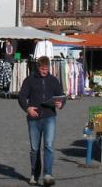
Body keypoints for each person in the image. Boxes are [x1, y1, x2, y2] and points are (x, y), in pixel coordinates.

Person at [18, 56, 64, 187]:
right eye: (43, 69)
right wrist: (27, 108)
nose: (45, 71)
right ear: (38, 67)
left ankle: (48, 174)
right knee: (34, 148)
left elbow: (60, 96)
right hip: (34, 118)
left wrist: (60, 104)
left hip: (49, 117)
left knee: (49, 146)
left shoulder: (53, 80)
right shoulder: (29, 80)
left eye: (47, 69)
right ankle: (34, 174)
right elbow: (21, 96)